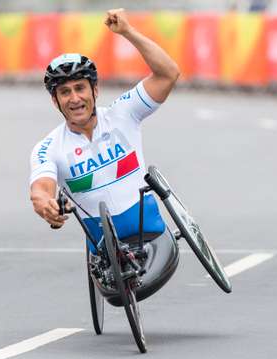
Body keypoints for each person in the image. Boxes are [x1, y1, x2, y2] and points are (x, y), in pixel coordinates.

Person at [29, 9, 180, 253]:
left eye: (80, 88)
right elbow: (40, 188)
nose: (74, 98)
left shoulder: (122, 113)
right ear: (55, 101)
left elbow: (168, 74)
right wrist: (45, 204)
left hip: (151, 232)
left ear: (95, 91)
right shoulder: (48, 147)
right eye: (65, 92)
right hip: (104, 251)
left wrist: (128, 32)